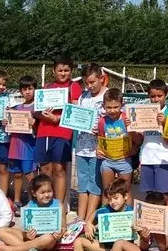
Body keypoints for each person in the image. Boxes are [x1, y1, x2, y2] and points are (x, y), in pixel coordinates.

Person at [33, 56, 83, 217]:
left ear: (71, 71)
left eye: (66, 70)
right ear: (54, 71)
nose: (63, 73)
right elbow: (35, 110)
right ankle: (45, 201)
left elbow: (76, 111)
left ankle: (59, 205)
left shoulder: (74, 86)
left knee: (59, 169)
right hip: (43, 132)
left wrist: (56, 119)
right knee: (45, 169)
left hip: (62, 133)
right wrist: (45, 116)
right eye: (60, 70)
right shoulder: (46, 87)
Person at [54, 178, 131, 251]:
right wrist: (89, 224)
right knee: (78, 241)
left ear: (125, 196)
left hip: (119, 249)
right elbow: (94, 213)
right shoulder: (107, 208)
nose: (112, 202)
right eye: (110, 199)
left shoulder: (130, 212)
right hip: (103, 246)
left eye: (116, 198)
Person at [127, 79, 168, 208]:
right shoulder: (143, 113)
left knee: (164, 197)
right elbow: (139, 141)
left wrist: (164, 123)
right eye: (152, 96)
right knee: (150, 197)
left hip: (163, 159)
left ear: (166, 95)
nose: (156, 99)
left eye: (159, 96)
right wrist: (131, 129)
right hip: (147, 158)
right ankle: (152, 225)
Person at [0, 174, 65, 251]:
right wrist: (27, 235)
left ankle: (11, 250)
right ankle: (34, 249)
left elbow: (64, 227)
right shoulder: (29, 206)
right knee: (1, 231)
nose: (46, 195)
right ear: (34, 193)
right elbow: (25, 230)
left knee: (47, 238)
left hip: (48, 240)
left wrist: (60, 234)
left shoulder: (59, 205)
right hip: (32, 238)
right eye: (42, 192)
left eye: (49, 191)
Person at [73, 63, 107, 222]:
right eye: (86, 83)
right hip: (82, 147)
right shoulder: (83, 97)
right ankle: (80, 218)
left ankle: (89, 218)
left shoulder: (108, 96)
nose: (89, 86)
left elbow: (115, 121)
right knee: (82, 183)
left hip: (98, 149)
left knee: (94, 184)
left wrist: (101, 129)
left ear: (101, 78)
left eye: (92, 82)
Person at [7, 75, 38, 214]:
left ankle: (34, 201)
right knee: (17, 174)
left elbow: (39, 130)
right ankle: (17, 201)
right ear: (20, 91)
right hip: (15, 146)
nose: (27, 92)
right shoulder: (15, 108)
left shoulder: (37, 109)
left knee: (31, 175)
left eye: (30, 88)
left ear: (35, 89)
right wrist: (5, 123)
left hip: (29, 147)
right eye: (24, 89)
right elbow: (8, 125)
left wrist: (35, 124)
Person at [96, 88, 132, 196]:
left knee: (125, 192)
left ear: (122, 105)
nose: (112, 110)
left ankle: (128, 213)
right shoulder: (102, 121)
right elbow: (101, 139)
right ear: (103, 107)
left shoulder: (127, 118)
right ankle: (106, 212)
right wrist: (98, 150)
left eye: (116, 107)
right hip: (108, 161)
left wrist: (130, 127)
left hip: (124, 160)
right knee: (107, 192)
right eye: (109, 107)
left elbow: (137, 139)